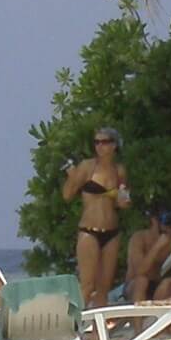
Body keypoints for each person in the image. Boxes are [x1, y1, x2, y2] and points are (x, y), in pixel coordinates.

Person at [62, 127, 132, 308]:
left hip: (112, 232)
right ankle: (75, 327)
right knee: (87, 285)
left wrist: (120, 195)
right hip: (89, 231)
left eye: (105, 142)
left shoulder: (119, 170)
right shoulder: (87, 166)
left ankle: (96, 333)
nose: (100, 146)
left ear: (114, 145)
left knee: (104, 288)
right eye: (96, 142)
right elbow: (68, 195)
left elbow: (123, 204)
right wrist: (72, 176)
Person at [125, 207, 171, 302]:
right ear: (154, 221)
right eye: (166, 224)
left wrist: (168, 281)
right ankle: (137, 316)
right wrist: (157, 246)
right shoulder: (139, 238)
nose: (169, 228)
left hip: (156, 284)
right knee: (142, 281)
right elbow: (139, 271)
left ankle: (158, 314)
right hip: (134, 284)